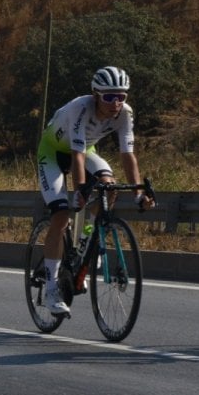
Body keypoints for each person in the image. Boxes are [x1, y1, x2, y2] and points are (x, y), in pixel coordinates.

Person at [36, 66, 155, 316]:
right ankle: (50, 289)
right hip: (54, 153)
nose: (116, 103)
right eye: (109, 97)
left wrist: (138, 193)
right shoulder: (81, 108)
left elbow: (127, 154)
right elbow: (76, 155)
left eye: (121, 96)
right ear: (96, 95)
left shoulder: (125, 114)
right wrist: (79, 189)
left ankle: (85, 242)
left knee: (109, 187)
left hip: (86, 152)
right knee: (60, 215)